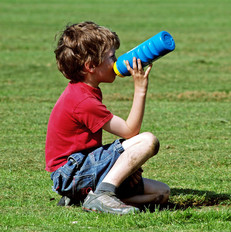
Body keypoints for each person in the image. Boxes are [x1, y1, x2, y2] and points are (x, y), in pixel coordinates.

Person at [45, 21, 170, 215]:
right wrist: (140, 89)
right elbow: (130, 132)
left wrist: (127, 168)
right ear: (90, 66)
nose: (116, 61)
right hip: (70, 173)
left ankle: (85, 199)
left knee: (162, 192)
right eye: (111, 56)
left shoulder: (84, 91)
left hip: (80, 169)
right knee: (148, 140)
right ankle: (103, 193)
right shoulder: (83, 100)